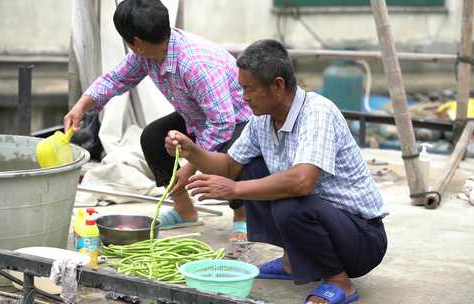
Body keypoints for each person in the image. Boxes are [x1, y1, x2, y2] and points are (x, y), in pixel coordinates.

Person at [164, 39, 388, 304]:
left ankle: (339, 281)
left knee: (289, 203)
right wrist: (193, 151)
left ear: (278, 86)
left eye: (250, 89)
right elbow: (230, 165)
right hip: (328, 223)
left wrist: (234, 189)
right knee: (251, 169)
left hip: (362, 239)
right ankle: (292, 260)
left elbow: (302, 182)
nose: (243, 97)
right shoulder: (262, 120)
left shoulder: (317, 113)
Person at [63, 0, 251, 241]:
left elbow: (222, 124)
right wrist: (81, 106)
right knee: (153, 137)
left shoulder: (195, 65)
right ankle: (185, 211)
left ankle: (242, 215)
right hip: (198, 117)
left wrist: (191, 164)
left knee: (227, 156)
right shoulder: (148, 53)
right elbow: (115, 80)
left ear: (137, 43)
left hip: (239, 121)